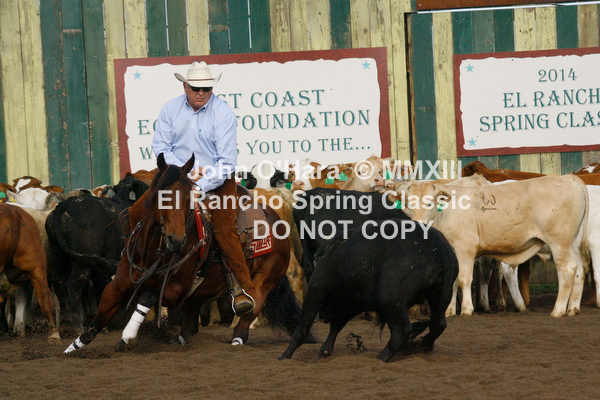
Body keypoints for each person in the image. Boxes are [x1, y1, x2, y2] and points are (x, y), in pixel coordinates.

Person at [152, 61, 255, 318]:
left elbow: (227, 161)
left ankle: (243, 288)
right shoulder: (170, 108)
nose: (201, 93)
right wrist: (184, 173)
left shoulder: (223, 113)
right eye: (196, 88)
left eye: (206, 88)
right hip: (179, 176)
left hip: (217, 180)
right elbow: (161, 147)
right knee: (146, 212)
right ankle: (134, 268)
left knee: (224, 228)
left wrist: (201, 183)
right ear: (185, 87)